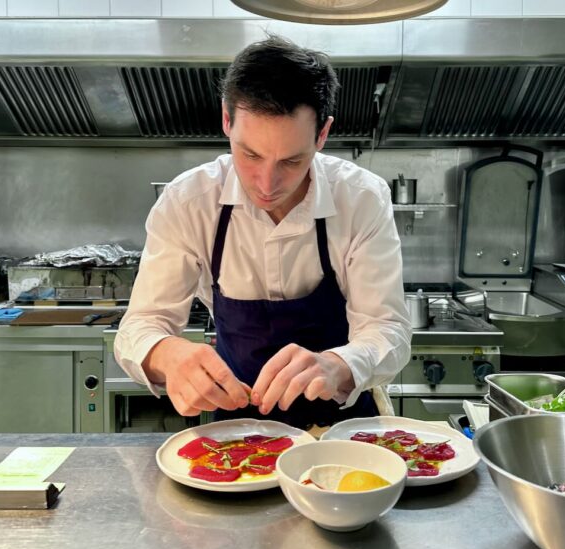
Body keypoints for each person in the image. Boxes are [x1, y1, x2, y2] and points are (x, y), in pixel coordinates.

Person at [114, 35, 411, 430]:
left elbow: (387, 328)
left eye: (292, 160)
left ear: (322, 135)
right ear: (226, 120)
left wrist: (339, 364)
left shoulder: (361, 198)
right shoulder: (188, 201)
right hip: (236, 426)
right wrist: (167, 355)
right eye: (250, 154)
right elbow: (140, 325)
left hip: (344, 425)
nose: (267, 183)